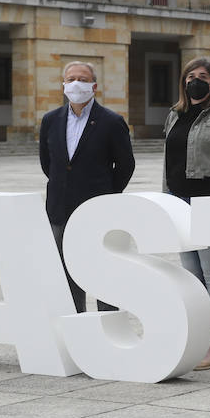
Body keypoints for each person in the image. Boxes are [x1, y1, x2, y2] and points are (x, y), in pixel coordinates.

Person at [162, 57, 210, 371]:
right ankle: (195, 335)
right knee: (191, 275)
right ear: (184, 80)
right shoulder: (174, 114)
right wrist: (165, 199)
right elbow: (168, 160)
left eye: (203, 76)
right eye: (191, 75)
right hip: (179, 200)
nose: (196, 80)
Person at [39, 60, 136, 313]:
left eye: (82, 79)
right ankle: (75, 326)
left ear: (94, 86)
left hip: (98, 210)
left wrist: (106, 195)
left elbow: (125, 165)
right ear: (63, 85)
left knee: (102, 269)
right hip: (60, 209)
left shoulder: (111, 121)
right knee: (65, 272)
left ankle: (108, 327)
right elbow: (48, 163)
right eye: (70, 79)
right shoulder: (51, 120)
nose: (75, 84)